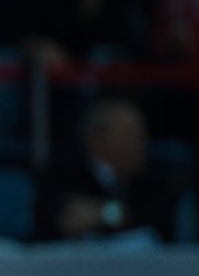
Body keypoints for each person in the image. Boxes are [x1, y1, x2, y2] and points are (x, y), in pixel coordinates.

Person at [51, 97, 175, 241]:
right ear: (96, 140)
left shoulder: (154, 177)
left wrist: (105, 214)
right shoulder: (62, 175)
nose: (142, 143)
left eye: (143, 135)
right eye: (131, 134)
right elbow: (62, 222)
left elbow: (158, 219)